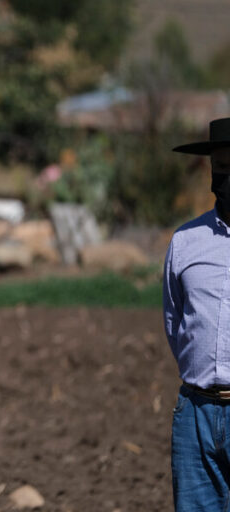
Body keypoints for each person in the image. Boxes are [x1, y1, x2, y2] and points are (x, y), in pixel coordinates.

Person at [165, 117, 230, 511]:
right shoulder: (186, 241)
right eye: (222, 168)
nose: (228, 177)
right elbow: (176, 324)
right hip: (195, 411)